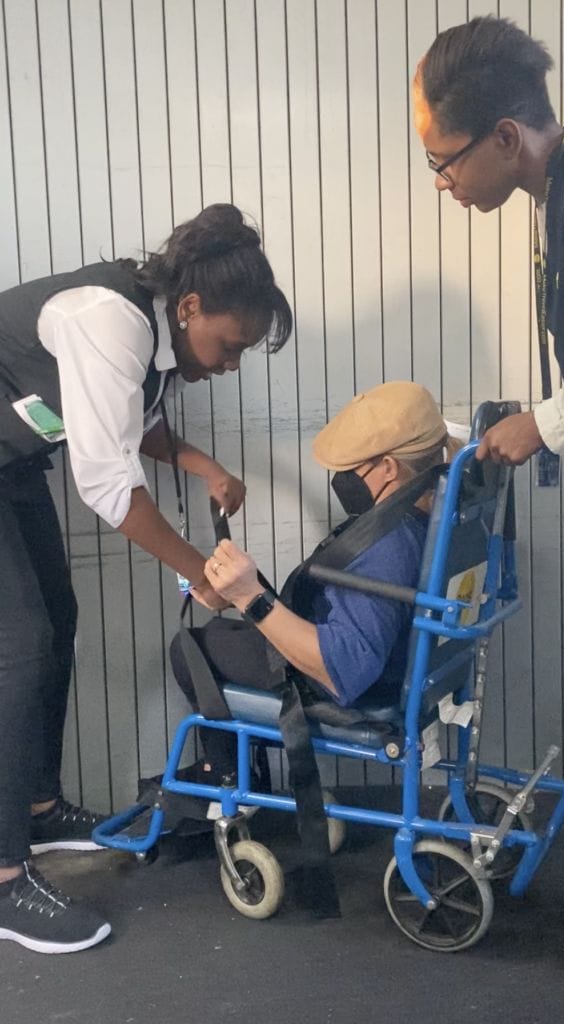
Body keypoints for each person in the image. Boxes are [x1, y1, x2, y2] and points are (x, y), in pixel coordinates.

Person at [413, 15, 564, 989]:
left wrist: (540, 426)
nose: (443, 181)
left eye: (445, 159)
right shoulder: (563, 191)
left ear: (506, 138)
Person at [0, 203, 292, 953]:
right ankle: (3, 880)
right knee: (20, 642)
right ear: (189, 307)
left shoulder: (152, 337)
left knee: (55, 617)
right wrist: (204, 573)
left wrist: (205, 466)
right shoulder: (110, 319)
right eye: (229, 347)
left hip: (13, 457)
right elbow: (107, 484)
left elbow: (125, 419)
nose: (229, 365)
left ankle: (35, 808)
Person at [169, 381, 460, 788]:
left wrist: (251, 599)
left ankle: (224, 775)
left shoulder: (383, 547)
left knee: (192, 649)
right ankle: (237, 771)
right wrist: (242, 595)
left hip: (362, 683)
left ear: (390, 468)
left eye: (353, 466)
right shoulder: (439, 517)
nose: (342, 478)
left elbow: (344, 670)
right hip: (402, 662)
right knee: (222, 631)